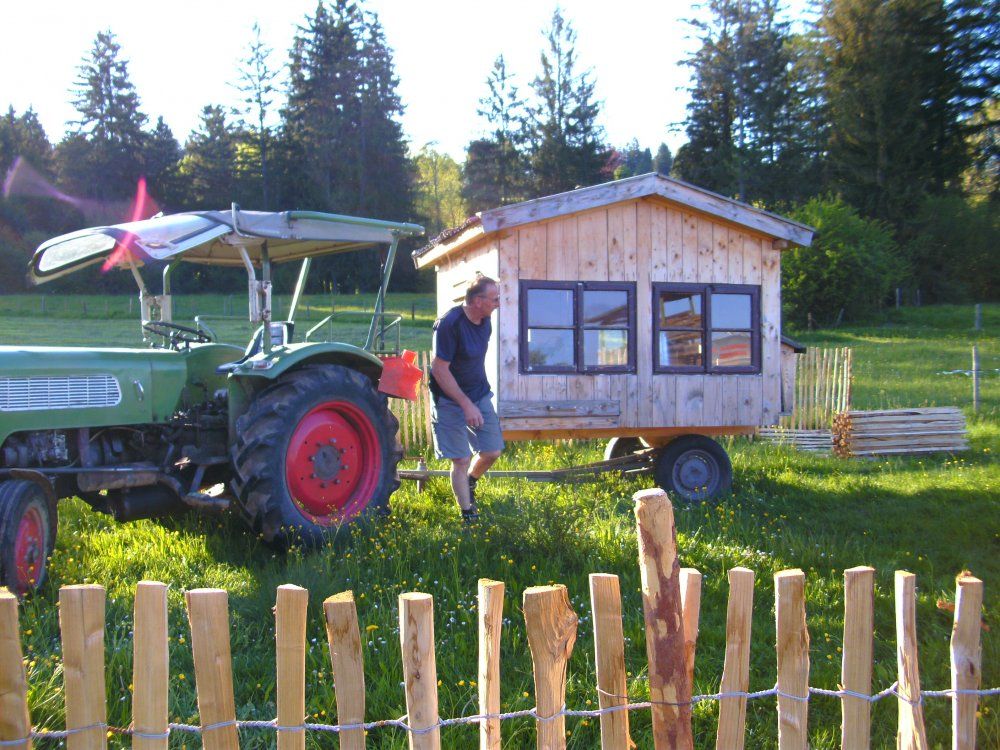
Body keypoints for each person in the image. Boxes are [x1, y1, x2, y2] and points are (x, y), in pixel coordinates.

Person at [429, 274, 504, 522]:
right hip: (449, 399)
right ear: (477, 300)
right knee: (461, 458)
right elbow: (439, 369)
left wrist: (474, 401)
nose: (498, 303)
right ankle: (467, 513)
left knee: (492, 451)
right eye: (494, 299)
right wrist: (465, 404)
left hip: (478, 393)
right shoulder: (449, 324)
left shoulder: (485, 321)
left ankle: (471, 481)